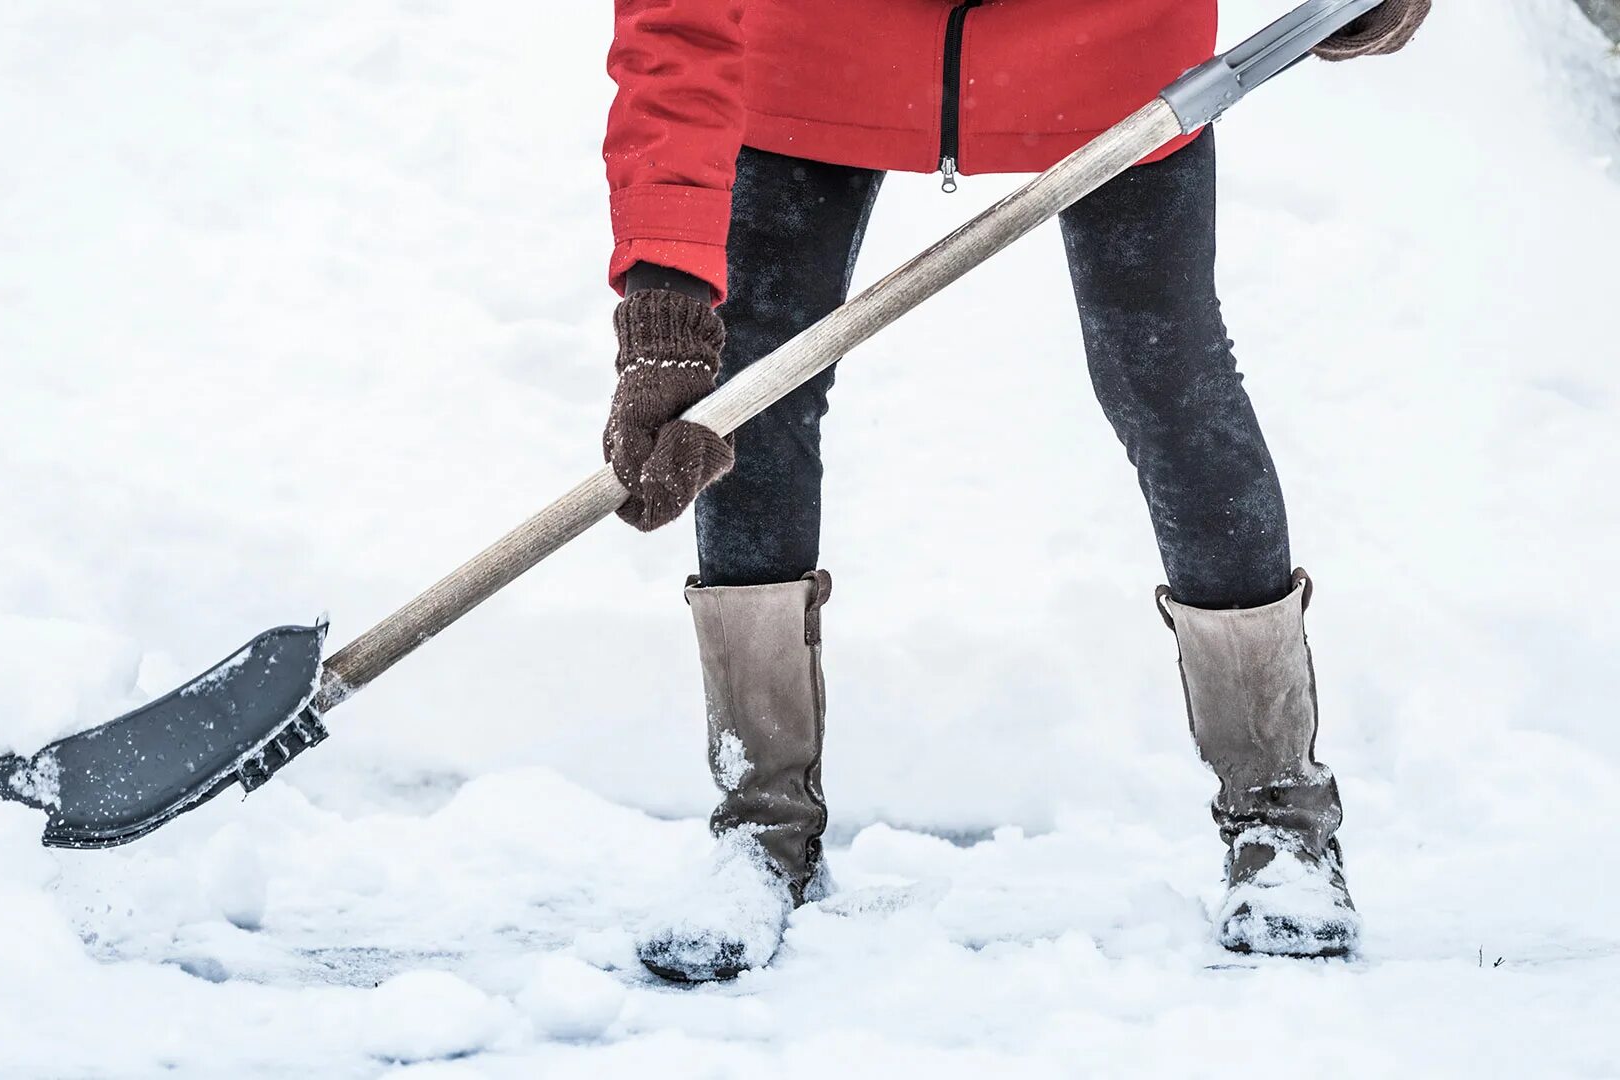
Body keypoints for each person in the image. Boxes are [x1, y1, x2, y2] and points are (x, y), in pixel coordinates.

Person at [599, 0, 1432, 982]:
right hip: (809, 65)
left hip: (1112, 51)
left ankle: (1280, 817)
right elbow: (678, 22)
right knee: (754, 398)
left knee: (1167, 379)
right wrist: (667, 300)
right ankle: (760, 825)